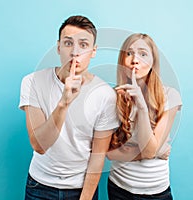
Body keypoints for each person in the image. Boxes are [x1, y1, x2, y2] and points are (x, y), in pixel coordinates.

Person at [19, 15, 118, 200]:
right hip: (39, 186)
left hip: (81, 189)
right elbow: (39, 145)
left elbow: (97, 157)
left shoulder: (105, 95)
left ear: (93, 51)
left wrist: (85, 197)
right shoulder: (32, 82)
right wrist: (64, 103)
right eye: (68, 43)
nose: (75, 52)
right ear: (58, 47)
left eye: (83, 45)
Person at [107, 33, 182, 200]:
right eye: (129, 53)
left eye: (143, 54)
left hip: (156, 192)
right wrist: (156, 151)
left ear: (153, 61)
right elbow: (109, 153)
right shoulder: (112, 97)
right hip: (119, 189)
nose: (135, 60)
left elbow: (149, 150)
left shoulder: (170, 96)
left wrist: (141, 106)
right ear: (122, 61)